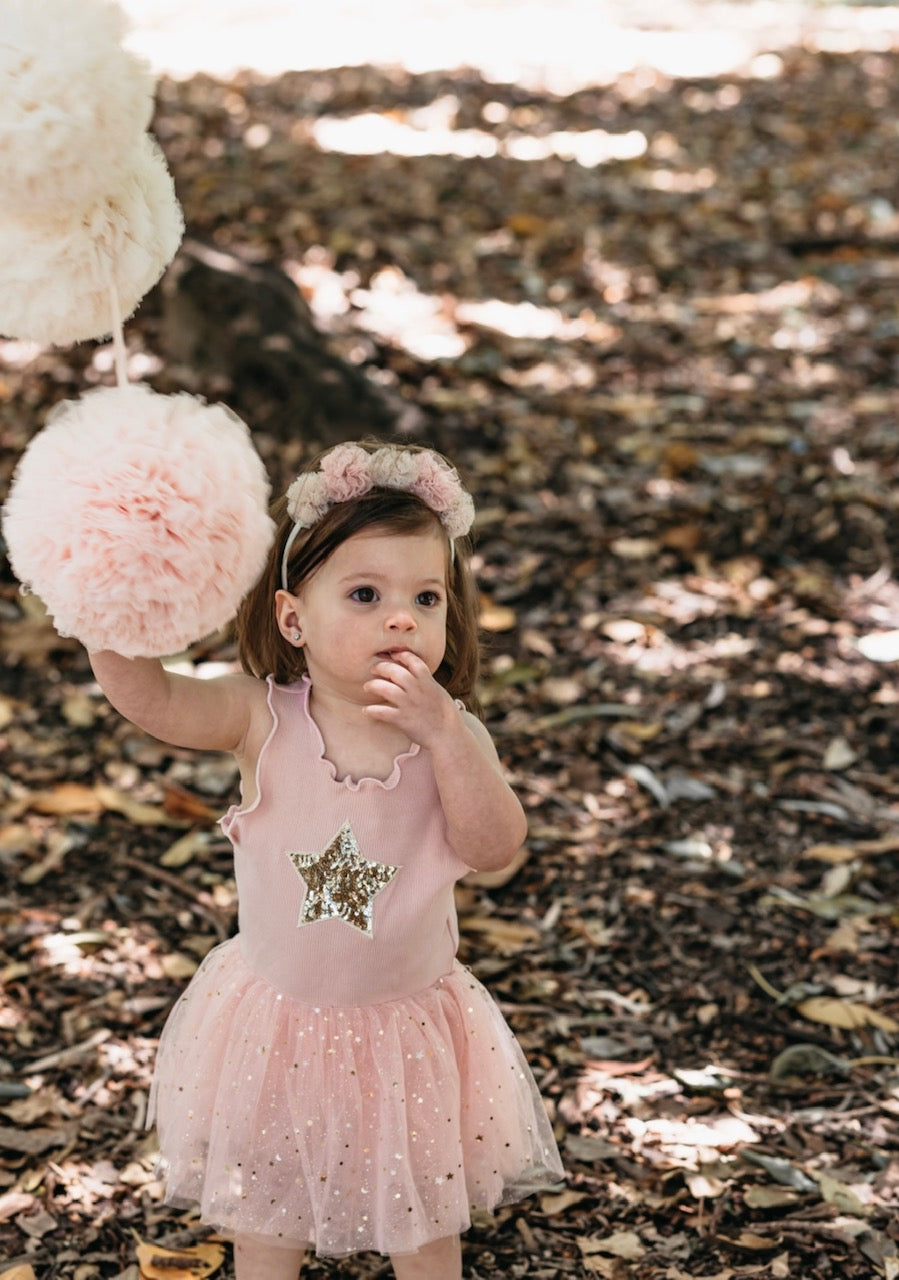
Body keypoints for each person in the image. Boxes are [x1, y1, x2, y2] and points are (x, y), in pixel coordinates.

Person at [88, 440, 564, 1280]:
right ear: (292, 617)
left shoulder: (453, 735)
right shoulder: (258, 718)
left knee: (424, 1217)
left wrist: (447, 736)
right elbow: (156, 700)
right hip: (276, 1021)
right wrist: (106, 615)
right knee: (268, 1210)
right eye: (365, 594)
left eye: (427, 596)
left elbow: (495, 849)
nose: (401, 617)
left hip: (407, 1026)